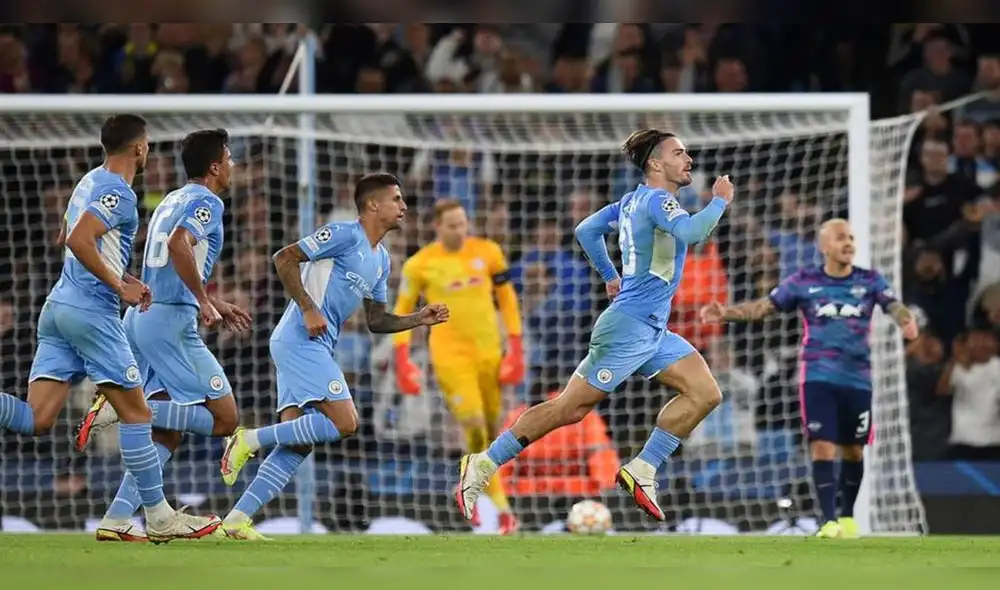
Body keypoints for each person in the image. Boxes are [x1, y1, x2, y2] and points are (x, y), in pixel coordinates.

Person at [455, 129, 732, 522]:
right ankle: (482, 464)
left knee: (705, 392)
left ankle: (643, 468)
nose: (688, 159)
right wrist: (719, 201)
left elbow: (586, 229)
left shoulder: (631, 201)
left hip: (651, 329)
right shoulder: (657, 201)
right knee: (568, 409)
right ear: (656, 163)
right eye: (679, 152)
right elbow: (694, 232)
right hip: (627, 326)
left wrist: (609, 274)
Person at [0, 115, 222, 543]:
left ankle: (135, 517)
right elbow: (77, 239)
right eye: (148, 145)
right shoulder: (118, 192)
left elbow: (66, 231)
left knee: (38, 418)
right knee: (137, 413)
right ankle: (157, 517)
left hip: (58, 308)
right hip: (90, 313)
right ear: (138, 149)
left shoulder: (87, 181)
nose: (150, 151)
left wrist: (117, 274)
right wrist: (118, 283)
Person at [218, 173, 450, 540]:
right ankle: (248, 439)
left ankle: (235, 519)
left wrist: (418, 319)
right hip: (298, 339)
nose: (404, 206)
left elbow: (376, 320)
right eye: (397, 199)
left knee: (297, 443)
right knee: (346, 422)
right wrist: (309, 308)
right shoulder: (343, 234)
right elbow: (284, 258)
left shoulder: (382, 260)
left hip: (315, 345)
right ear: (373, 204)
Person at [74, 129, 252, 542]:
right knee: (226, 419)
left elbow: (166, 256)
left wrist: (211, 300)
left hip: (142, 317)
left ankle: (116, 519)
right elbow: (178, 244)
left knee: (167, 432)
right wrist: (203, 300)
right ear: (214, 167)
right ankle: (118, 407)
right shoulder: (208, 201)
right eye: (229, 157)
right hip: (170, 324)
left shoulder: (172, 198)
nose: (233, 164)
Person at [700, 218, 919, 538]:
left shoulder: (869, 280)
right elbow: (764, 307)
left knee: (854, 450)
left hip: (858, 378)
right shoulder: (803, 282)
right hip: (817, 376)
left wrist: (906, 320)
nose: (848, 243)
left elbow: (894, 304)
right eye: (841, 238)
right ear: (824, 246)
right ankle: (829, 521)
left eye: (851, 238)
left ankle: (847, 516)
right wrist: (727, 313)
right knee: (822, 448)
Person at [392, 198, 525, 534]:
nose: (460, 230)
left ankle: (476, 489)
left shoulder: (489, 252)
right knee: (476, 426)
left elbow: (507, 299)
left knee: (494, 433)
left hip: (490, 353)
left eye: (463, 223)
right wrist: (402, 360)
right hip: (450, 357)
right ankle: (499, 506)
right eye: (452, 225)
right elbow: (402, 309)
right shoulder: (420, 265)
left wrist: (516, 348)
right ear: (438, 227)